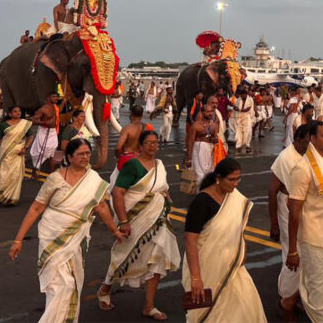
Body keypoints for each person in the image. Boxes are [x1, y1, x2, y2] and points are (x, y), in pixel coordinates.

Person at [8, 139, 122, 323]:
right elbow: (36, 208)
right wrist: (18, 240)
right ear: (69, 157)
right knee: (61, 285)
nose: (85, 157)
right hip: (52, 234)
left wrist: (115, 232)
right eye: (80, 154)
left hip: (76, 238)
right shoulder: (55, 178)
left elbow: (101, 207)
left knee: (72, 283)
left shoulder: (93, 179)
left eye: (87, 153)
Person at [98, 130, 181, 320]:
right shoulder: (133, 165)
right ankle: (105, 288)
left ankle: (149, 306)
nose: (153, 146)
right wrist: (124, 221)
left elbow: (162, 188)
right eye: (149, 142)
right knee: (123, 254)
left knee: (157, 259)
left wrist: (164, 199)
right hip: (136, 218)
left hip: (158, 220)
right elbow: (118, 192)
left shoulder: (159, 165)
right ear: (141, 146)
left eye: (155, 142)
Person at [182, 157, 267, 322]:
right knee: (211, 313)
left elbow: (239, 229)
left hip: (233, 265)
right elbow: (190, 239)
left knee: (246, 305)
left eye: (238, 179)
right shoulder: (202, 201)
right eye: (231, 180)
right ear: (218, 178)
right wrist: (196, 278)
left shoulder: (235, 198)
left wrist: (242, 250)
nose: (236, 184)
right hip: (207, 267)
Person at [286, 121, 323, 323]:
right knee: (319, 292)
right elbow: (294, 212)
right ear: (312, 139)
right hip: (313, 239)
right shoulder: (303, 169)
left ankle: (290, 302)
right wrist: (292, 250)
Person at [269, 124, 311, 317]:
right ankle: (286, 299)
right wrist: (274, 224)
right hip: (287, 206)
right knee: (292, 253)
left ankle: (294, 295)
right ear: (297, 139)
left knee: (304, 252)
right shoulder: (285, 157)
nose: (308, 146)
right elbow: (272, 191)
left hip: (304, 207)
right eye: (306, 142)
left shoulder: (309, 154)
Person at [0, 106, 34, 206]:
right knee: (5, 174)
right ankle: (3, 195)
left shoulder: (24, 124)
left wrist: (25, 148)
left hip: (19, 154)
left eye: (19, 111)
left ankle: (11, 198)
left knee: (15, 175)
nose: (18, 113)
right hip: (6, 154)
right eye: (15, 111)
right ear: (10, 114)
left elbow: (31, 136)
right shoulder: (3, 125)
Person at [186, 95, 222, 188]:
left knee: (210, 174)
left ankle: (207, 193)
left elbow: (216, 138)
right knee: (199, 177)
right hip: (198, 150)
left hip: (209, 151)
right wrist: (189, 158)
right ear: (202, 113)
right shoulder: (196, 126)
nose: (210, 114)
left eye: (211, 112)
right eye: (207, 112)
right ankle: (200, 193)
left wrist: (214, 139)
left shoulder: (214, 125)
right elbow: (190, 142)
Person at [29, 93, 60, 177]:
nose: (56, 98)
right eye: (53, 96)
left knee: (53, 151)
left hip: (53, 132)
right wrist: (44, 123)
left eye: (56, 96)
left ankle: (52, 173)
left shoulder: (55, 107)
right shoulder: (44, 109)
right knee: (41, 152)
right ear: (48, 98)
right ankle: (35, 170)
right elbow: (34, 120)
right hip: (44, 131)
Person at [234, 87, 254, 154]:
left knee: (248, 132)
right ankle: (239, 146)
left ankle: (247, 146)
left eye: (243, 95)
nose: (242, 96)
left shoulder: (250, 100)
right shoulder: (238, 100)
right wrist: (235, 108)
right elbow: (235, 107)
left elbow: (247, 109)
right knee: (239, 132)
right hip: (239, 117)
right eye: (241, 95)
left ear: (246, 94)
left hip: (247, 117)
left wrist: (239, 109)